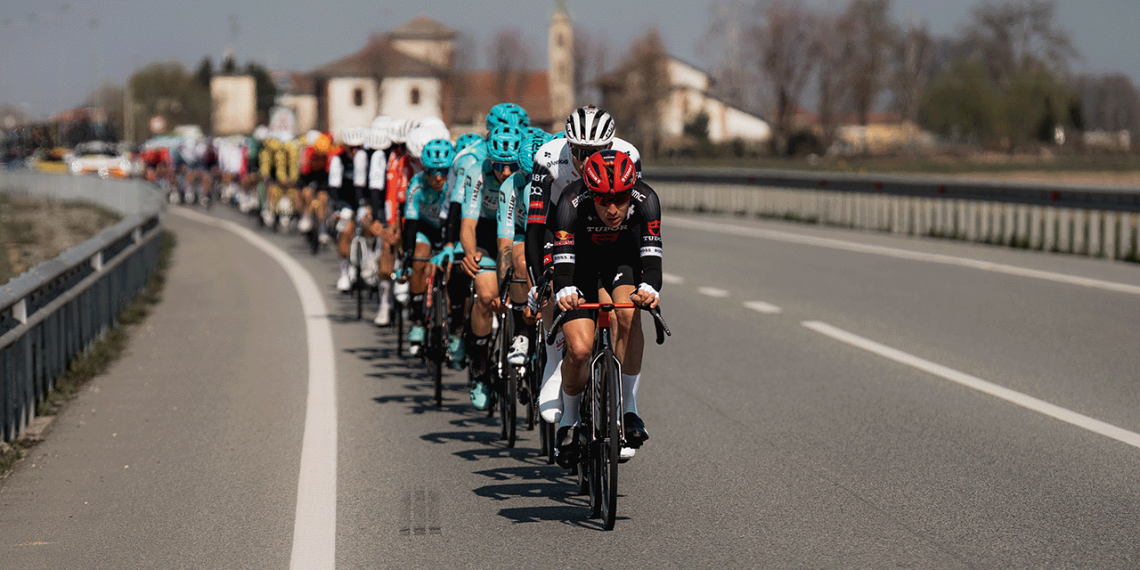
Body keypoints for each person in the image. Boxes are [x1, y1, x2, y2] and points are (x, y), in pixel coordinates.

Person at [524, 105, 642, 425]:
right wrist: (539, 280)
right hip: (558, 227)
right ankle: (552, 364)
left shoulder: (628, 155)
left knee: (625, 312)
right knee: (551, 284)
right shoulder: (548, 157)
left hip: (605, 230)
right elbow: (535, 226)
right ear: (567, 143)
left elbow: (636, 222)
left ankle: (625, 404)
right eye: (578, 151)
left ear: (610, 147)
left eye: (596, 152)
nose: (586, 160)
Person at [549, 149, 662, 467]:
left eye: (620, 199)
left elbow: (652, 263)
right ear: (589, 193)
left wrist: (650, 288)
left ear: (632, 192)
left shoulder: (647, 199)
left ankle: (629, 410)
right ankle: (569, 421)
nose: (612, 209)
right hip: (580, 265)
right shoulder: (571, 202)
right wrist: (565, 289)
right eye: (602, 200)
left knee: (628, 316)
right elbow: (563, 269)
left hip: (621, 260)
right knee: (581, 350)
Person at [458, 121, 526, 410]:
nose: (506, 172)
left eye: (511, 165)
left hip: (517, 233)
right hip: (486, 232)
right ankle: (481, 372)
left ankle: (528, 343)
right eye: (500, 166)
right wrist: (471, 253)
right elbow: (468, 224)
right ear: (491, 161)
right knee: (486, 296)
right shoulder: (477, 173)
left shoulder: (524, 176)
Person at [400, 138, 455, 355]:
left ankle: (452, 324)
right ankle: (417, 321)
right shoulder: (416, 185)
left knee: (451, 271)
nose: (438, 177)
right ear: (425, 169)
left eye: (443, 170)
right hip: (424, 228)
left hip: (448, 230)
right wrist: (408, 256)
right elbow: (410, 224)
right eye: (433, 171)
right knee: (419, 258)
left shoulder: (456, 183)